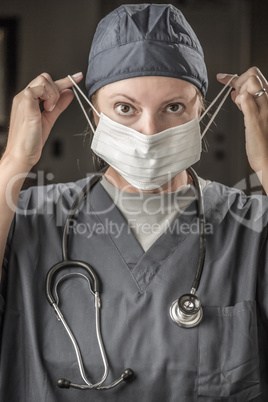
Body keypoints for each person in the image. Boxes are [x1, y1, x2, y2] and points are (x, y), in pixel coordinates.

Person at [0, 3, 268, 401]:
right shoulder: (28, 218)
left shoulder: (251, 226)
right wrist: (14, 161)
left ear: (202, 111)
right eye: (125, 109)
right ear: (95, 115)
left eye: (173, 108)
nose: (148, 133)